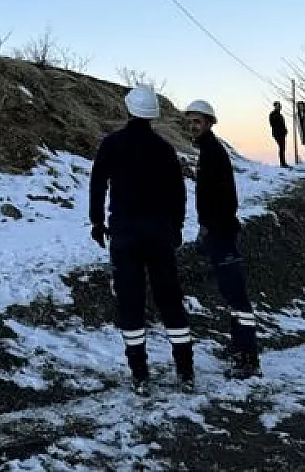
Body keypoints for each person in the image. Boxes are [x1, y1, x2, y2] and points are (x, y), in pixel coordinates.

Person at [89, 85, 195, 395]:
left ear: (129, 109)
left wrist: (96, 221)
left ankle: (140, 375)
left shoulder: (112, 144)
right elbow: (179, 194)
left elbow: (97, 185)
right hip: (160, 235)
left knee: (131, 304)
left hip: (125, 235)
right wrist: (175, 228)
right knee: (170, 301)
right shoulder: (164, 149)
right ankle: (185, 371)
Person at [183, 99, 261, 378]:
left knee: (237, 295)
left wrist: (210, 227)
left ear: (209, 123)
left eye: (198, 121)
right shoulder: (207, 150)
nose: (193, 126)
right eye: (190, 121)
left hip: (222, 232)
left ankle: (249, 358)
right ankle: (238, 346)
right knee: (231, 294)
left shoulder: (213, 152)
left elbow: (226, 199)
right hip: (217, 230)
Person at [268, 101, 289, 168]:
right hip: (277, 133)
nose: (279, 107)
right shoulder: (272, 114)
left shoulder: (280, 115)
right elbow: (272, 124)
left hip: (282, 133)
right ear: (275, 106)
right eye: (277, 106)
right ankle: (282, 163)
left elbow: (283, 124)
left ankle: (283, 163)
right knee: (281, 148)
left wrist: (285, 130)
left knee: (282, 148)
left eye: (279, 106)